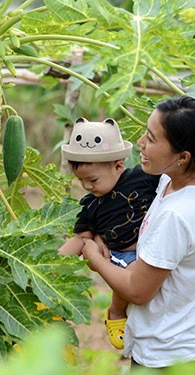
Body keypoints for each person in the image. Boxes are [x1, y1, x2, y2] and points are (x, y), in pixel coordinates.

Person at [81, 96, 195, 369]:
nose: (140, 143)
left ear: (182, 157)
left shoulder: (177, 215)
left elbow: (138, 290)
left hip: (167, 356)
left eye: (152, 139)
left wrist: (94, 257)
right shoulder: (167, 180)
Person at [59, 117, 160, 349]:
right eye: (80, 181)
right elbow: (81, 238)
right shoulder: (89, 204)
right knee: (132, 271)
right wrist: (52, 264)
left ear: (118, 165)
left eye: (92, 180)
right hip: (119, 254)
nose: (86, 186)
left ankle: (116, 310)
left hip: (152, 248)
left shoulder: (142, 178)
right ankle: (116, 312)